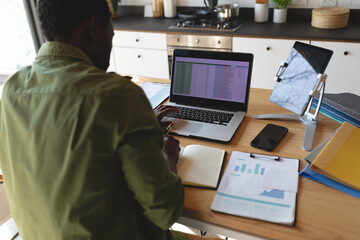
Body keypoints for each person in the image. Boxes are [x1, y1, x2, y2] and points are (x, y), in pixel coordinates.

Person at [0, 0, 221, 239]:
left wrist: (141, 125)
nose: (110, 45)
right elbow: (165, 212)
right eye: (111, 35)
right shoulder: (117, 95)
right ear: (94, 27)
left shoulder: (11, 90)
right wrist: (167, 157)